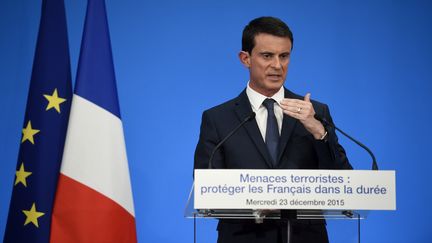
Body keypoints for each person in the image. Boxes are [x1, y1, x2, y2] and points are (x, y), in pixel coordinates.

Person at [194, 16, 352, 243]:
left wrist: (319, 131)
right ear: (245, 58)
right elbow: (205, 192)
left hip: (305, 236)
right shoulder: (218, 119)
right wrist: (256, 206)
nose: (277, 65)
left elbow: (343, 181)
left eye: (284, 56)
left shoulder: (314, 111)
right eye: (267, 56)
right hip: (244, 237)